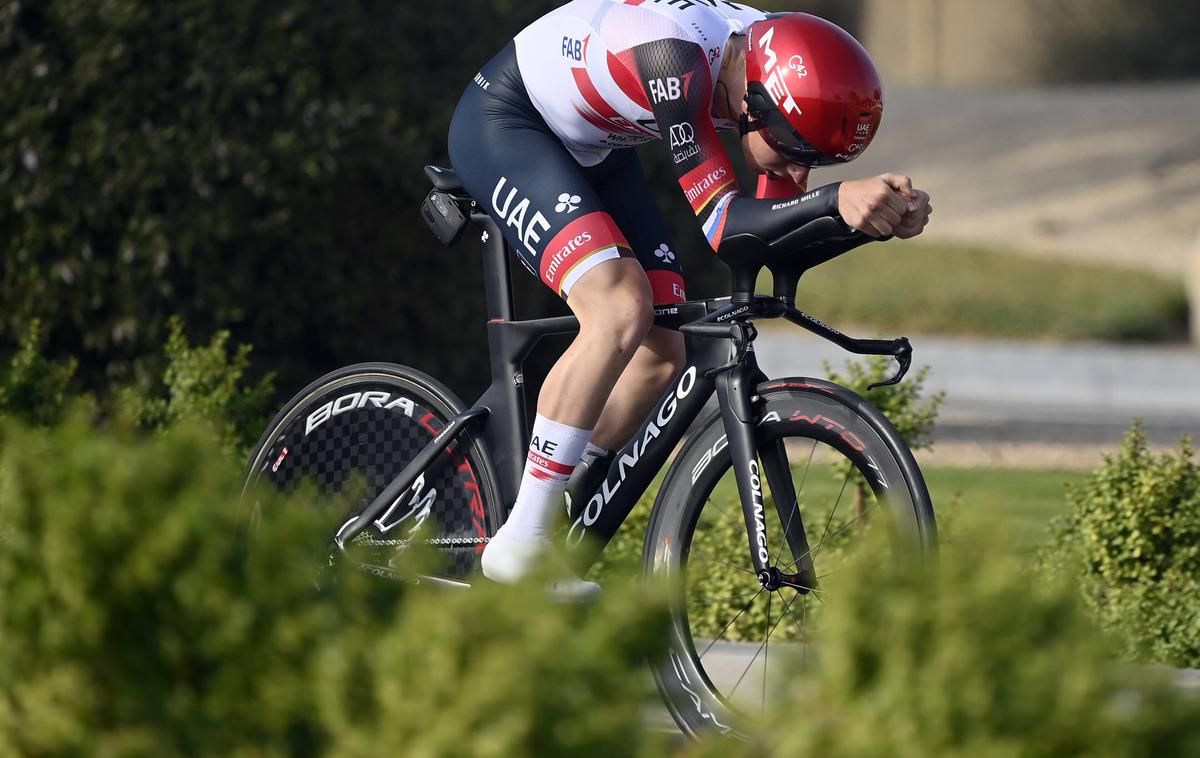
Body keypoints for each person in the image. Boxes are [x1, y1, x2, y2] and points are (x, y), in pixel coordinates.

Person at [446, 1, 933, 596]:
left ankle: (555, 503)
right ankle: (525, 536)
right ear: (754, 105)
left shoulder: (773, 61)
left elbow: (769, 240)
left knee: (661, 353)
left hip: (595, 146)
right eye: (795, 151)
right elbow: (726, 226)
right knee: (620, 308)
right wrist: (835, 203)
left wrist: (869, 221)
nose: (797, 172)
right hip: (509, 123)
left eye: (816, 161)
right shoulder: (673, 58)